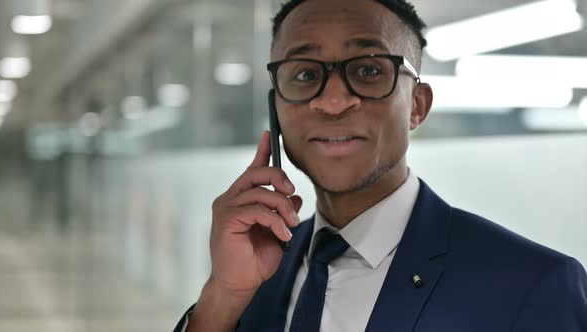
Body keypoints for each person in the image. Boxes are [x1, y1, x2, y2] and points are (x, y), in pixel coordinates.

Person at [174, 0, 587, 331]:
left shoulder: (530, 284)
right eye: (303, 74)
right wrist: (221, 299)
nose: (333, 102)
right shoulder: (258, 269)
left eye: (369, 70)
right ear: (276, 108)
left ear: (417, 107)